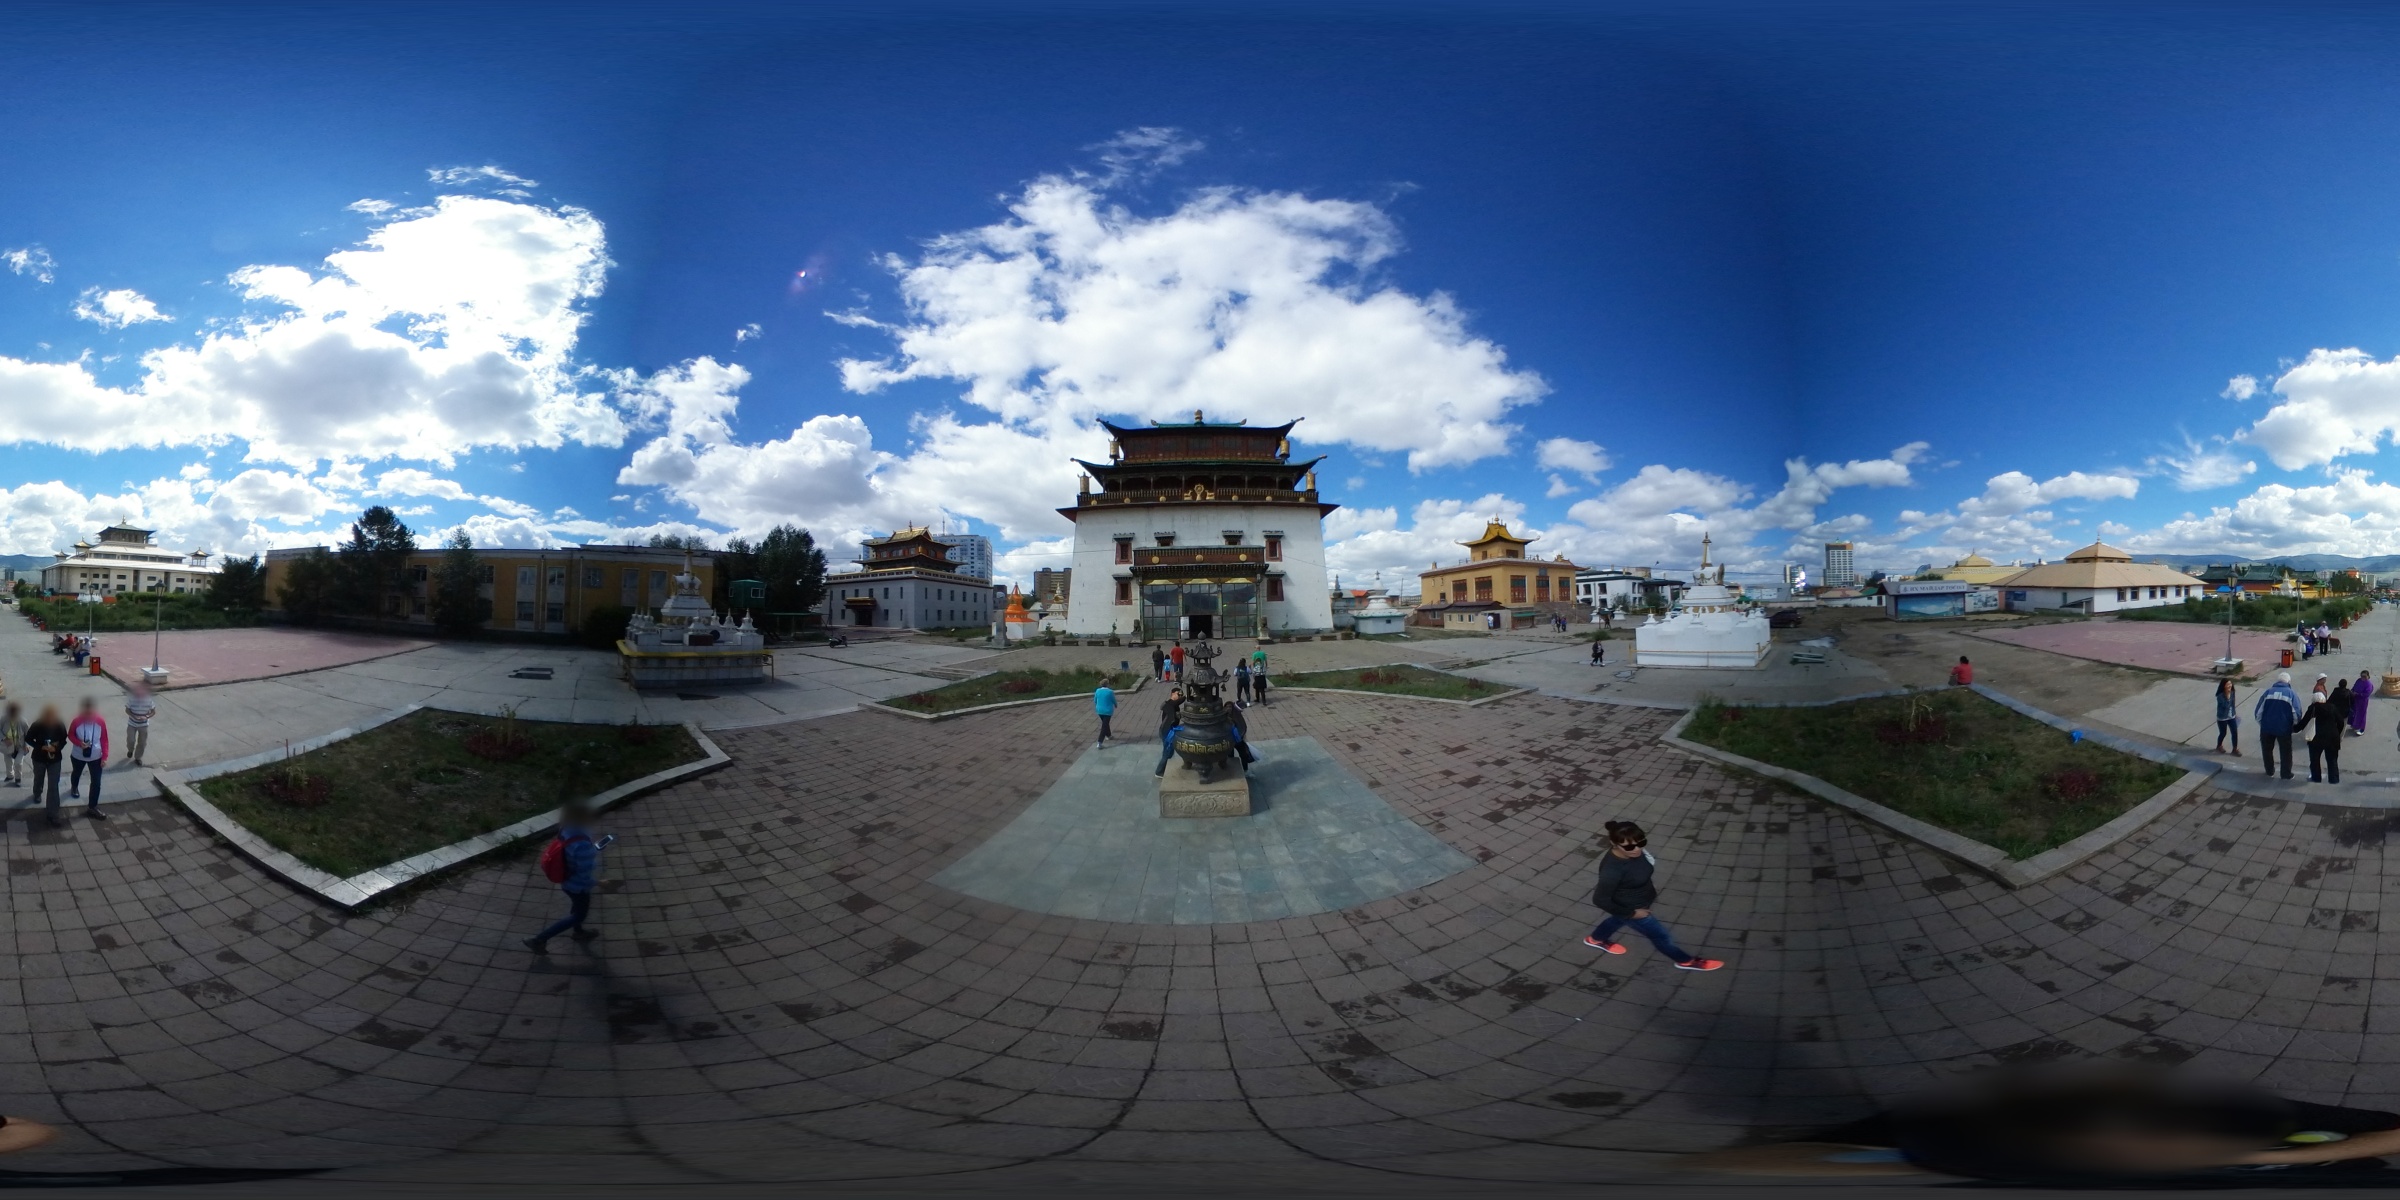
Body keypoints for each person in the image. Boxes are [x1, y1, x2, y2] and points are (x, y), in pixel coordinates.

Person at [1583, 820, 1722, 971]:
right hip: (1632, 907)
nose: (1637, 849)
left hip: (1639, 900)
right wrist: (1632, 913)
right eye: (1629, 847)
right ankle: (1686, 961)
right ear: (1614, 843)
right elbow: (1599, 899)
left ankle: (1596, 939)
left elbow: (1639, 870)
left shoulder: (1635, 851)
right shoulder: (1612, 871)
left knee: (1617, 919)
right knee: (1661, 937)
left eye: (1641, 843)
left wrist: (1647, 884)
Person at [523, 803, 612, 953]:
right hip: (578, 886)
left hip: (566, 880)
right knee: (579, 915)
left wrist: (592, 849)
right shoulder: (582, 844)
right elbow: (583, 875)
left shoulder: (565, 829)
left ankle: (578, 932)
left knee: (577, 907)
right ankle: (539, 939)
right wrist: (599, 882)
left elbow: (573, 852)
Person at [64, 697, 107, 819]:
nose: (89, 715)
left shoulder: (100, 721)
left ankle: (92, 807)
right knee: (76, 773)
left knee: (96, 783)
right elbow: (70, 734)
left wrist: (104, 757)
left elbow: (104, 739)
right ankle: (74, 787)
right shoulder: (77, 721)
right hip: (78, 755)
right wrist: (79, 743)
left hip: (96, 757)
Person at [25, 704, 67, 827]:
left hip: (55, 760)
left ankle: (52, 814)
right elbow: (28, 738)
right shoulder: (37, 725)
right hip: (39, 759)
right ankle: (37, 793)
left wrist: (56, 747)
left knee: (53, 786)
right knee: (39, 778)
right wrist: (41, 747)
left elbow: (64, 739)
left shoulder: (59, 724)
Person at [2255, 671, 2301, 780]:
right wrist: (2294, 726)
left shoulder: (2267, 693)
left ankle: (2269, 771)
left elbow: (2258, 713)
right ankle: (2285, 774)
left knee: (2267, 750)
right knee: (2286, 752)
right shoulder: (2291, 694)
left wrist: (2263, 724)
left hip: (2267, 728)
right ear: (2289, 682)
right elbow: (2296, 713)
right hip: (2284, 729)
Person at [2305, 680, 2351, 784]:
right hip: (2332, 738)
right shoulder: (2332, 707)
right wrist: (2338, 733)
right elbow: (2340, 722)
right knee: (2332, 760)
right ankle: (2334, 779)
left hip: (2316, 739)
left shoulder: (2312, 709)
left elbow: (2303, 722)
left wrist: (2294, 728)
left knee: (2315, 760)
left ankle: (2316, 778)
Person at [1154, 687, 1185, 777]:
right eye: (1178, 694)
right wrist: (1186, 696)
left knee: (1169, 752)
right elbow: (1176, 702)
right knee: (1167, 752)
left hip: (1171, 730)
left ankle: (1162, 768)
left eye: (1181, 694)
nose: (1180, 696)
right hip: (1167, 731)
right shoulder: (1168, 704)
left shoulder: (1174, 705)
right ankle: (1159, 772)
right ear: (1172, 694)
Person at [122, 681, 155, 765]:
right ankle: (130, 749)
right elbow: (127, 710)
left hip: (143, 725)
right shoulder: (132, 699)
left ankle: (138, 757)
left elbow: (153, 712)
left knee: (142, 742)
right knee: (131, 740)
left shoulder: (149, 700)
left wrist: (146, 717)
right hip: (132, 723)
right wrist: (133, 716)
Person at [2212, 678, 2240, 756]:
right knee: (2223, 733)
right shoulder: (2220, 696)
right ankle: (2219, 745)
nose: (2229, 686)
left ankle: (2235, 749)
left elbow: (2233, 704)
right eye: (2227, 684)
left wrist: (2234, 713)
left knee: (2234, 732)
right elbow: (2225, 706)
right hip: (2222, 717)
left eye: (2230, 684)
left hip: (2231, 716)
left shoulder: (2233, 692)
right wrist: (2227, 697)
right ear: (2223, 686)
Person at [1, 701, 23, 787]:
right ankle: (10, 776)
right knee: (8, 761)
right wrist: (4, 738)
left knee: (18, 762)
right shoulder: (3, 720)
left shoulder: (22, 721)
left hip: (19, 745)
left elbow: (27, 734)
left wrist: (26, 745)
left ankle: (18, 778)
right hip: (8, 745)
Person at [1092, 681, 1115, 747]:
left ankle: (1109, 735)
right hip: (1107, 711)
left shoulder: (1097, 690)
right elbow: (1113, 700)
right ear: (1107, 684)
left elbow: (1095, 700)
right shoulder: (1110, 691)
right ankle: (1100, 742)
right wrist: (1115, 704)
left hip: (1099, 710)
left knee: (1105, 723)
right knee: (1104, 726)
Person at [2352, 670, 2374, 738]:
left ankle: (2361, 729)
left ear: (2368, 676)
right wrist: (2352, 691)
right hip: (2356, 699)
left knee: (2362, 714)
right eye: (2362, 676)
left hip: (2362, 701)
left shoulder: (2369, 684)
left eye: (2364, 676)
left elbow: (2367, 694)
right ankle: (2355, 725)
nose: (2363, 678)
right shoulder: (2359, 680)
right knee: (2355, 713)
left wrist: (2358, 694)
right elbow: (2354, 686)